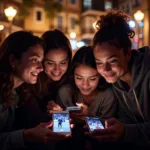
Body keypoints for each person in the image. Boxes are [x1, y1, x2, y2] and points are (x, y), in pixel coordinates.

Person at [87, 10, 150, 149]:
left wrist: (126, 131)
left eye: (112, 61)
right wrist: (115, 126)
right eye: (99, 63)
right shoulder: (117, 82)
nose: (105, 69)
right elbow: (126, 116)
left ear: (127, 52)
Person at [0, 31, 69, 150]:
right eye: (34, 60)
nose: (41, 68)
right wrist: (26, 135)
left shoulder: (15, 92)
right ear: (13, 60)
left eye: (41, 61)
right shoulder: (15, 91)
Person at [14, 29, 72, 129]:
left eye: (63, 63)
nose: (57, 69)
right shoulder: (29, 83)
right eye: (50, 63)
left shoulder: (70, 83)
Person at [55, 46, 116, 121]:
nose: (85, 85)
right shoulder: (65, 92)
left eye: (92, 79)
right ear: (73, 75)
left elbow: (110, 129)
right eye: (79, 78)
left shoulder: (107, 95)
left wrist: (90, 117)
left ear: (100, 75)